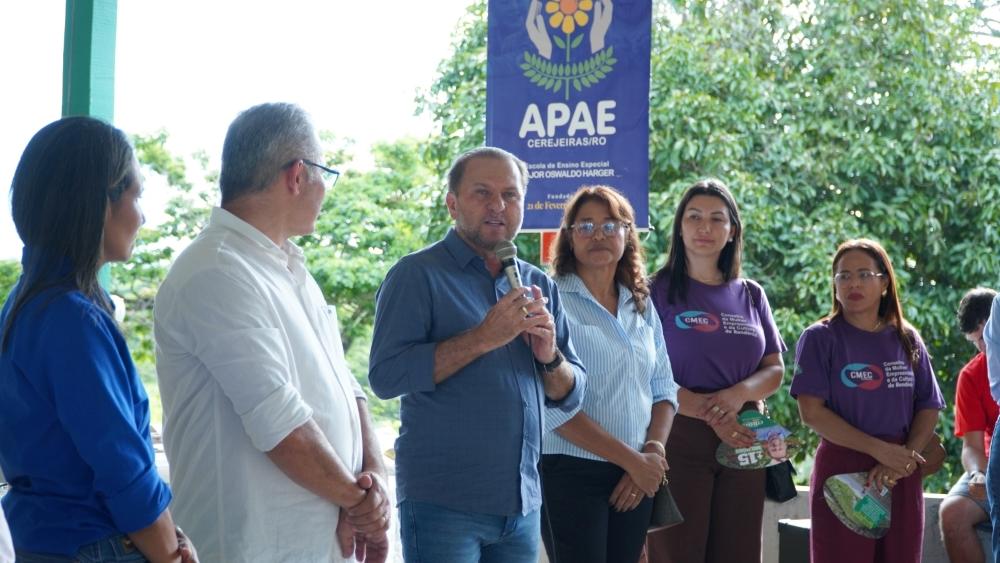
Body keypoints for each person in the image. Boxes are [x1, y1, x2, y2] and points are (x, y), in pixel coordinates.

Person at [154, 103, 389, 562]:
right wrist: (358, 501)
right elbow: (279, 422)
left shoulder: (290, 266)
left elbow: (345, 385)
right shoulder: (217, 269)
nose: (326, 191)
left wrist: (372, 478)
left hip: (314, 542)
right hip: (252, 546)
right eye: (325, 174)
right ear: (298, 176)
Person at [368, 146, 586, 562]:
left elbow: (572, 392)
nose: (498, 206)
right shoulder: (416, 275)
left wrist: (550, 357)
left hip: (521, 506)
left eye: (511, 194)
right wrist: (483, 338)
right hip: (442, 504)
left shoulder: (540, 284)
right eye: (482, 193)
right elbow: (386, 376)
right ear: (452, 204)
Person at [0, 117, 195, 562]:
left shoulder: (22, 306)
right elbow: (122, 470)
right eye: (136, 195)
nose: (142, 215)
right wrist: (170, 551)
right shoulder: (72, 320)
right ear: (99, 202)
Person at [645, 179, 786, 563]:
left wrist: (736, 397)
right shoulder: (654, 290)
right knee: (677, 553)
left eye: (716, 218)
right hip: (676, 433)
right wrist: (710, 412)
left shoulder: (752, 294)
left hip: (745, 435)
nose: (704, 227)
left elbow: (774, 369)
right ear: (679, 226)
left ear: (732, 230)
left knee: (739, 552)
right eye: (694, 217)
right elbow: (640, 371)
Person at [541, 186, 678, 563]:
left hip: (636, 475)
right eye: (585, 225)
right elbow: (550, 407)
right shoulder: (550, 299)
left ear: (627, 234)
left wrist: (651, 453)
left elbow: (665, 389)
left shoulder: (640, 303)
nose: (598, 234)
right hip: (570, 470)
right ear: (568, 237)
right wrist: (632, 462)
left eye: (609, 225)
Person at [792, 238, 944, 563]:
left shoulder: (907, 338)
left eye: (864, 274)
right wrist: (879, 451)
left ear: (885, 282)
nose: (853, 283)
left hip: (900, 471)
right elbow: (811, 413)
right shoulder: (820, 337)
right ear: (833, 286)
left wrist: (899, 462)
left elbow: (929, 406)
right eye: (843, 276)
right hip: (843, 471)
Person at [940, 288, 997, 563]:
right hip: (992, 465)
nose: (986, 349)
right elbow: (972, 446)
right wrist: (977, 474)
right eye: (978, 342)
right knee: (952, 513)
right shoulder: (972, 376)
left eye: (989, 338)